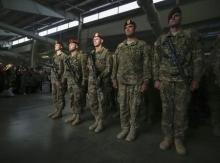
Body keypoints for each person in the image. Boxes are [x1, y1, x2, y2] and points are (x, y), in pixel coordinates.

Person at [153, 7, 203, 155]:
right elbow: (156, 60)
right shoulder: (161, 39)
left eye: (176, 16)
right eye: (171, 17)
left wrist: (196, 79)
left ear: (180, 18)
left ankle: (178, 139)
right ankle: (168, 137)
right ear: (168, 21)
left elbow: (198, 57)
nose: (173, 18)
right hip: (166, 81)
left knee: (181, 111)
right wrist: (156, 78)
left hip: (183, 81)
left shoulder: (189, 35)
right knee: (167, 110)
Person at [112, 19, 151, 141]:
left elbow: (146, 64)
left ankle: (133, 129)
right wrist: (113, 78)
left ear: (135, 29)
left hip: (136, 82)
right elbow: (115, 64)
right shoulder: (120, 46)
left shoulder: (142, 45)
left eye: (130, 26)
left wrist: (146, 81)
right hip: (122, 82)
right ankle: (125, 128)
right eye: (126, 27)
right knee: (123, 106)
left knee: (134, 108)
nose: (128, 28)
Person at [87, 32, 113, 133]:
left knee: (102, 103)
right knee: (92, 102)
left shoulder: (106, 52)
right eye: (93, 39)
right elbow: (88, 66)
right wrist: (89, 67)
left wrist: (100, 76)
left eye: (97, 39)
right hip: (91, 82)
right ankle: (97, 120)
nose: (95, 40)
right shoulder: (92, 53)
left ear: (101, 40)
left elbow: (109, 68)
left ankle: (101, 122)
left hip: (102, 82)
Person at [63, 38, 87, 126]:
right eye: (69, 44)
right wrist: (64, 80)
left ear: (76, 46)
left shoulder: (81, 56)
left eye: (72, 44)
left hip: (78, 82)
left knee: (78, 99)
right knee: (72, 99)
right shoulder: (68, 58)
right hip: (70, 82)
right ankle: (74, 114)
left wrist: (84, 81)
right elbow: (66, 70)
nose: (70, 45)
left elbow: (84, 70)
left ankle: (78, 117)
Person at [48, 40, 66, 119]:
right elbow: (53, 68)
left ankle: (60, 112)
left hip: (60, 80)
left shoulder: (64, 56)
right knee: (54, 95)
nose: (55, 46)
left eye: (57, 45)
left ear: (61, 46)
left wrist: (63, 80)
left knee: (60, 96)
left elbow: (66, 69)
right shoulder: (54, 56)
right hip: (53, 79)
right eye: (55, 45)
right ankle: (56, 109)